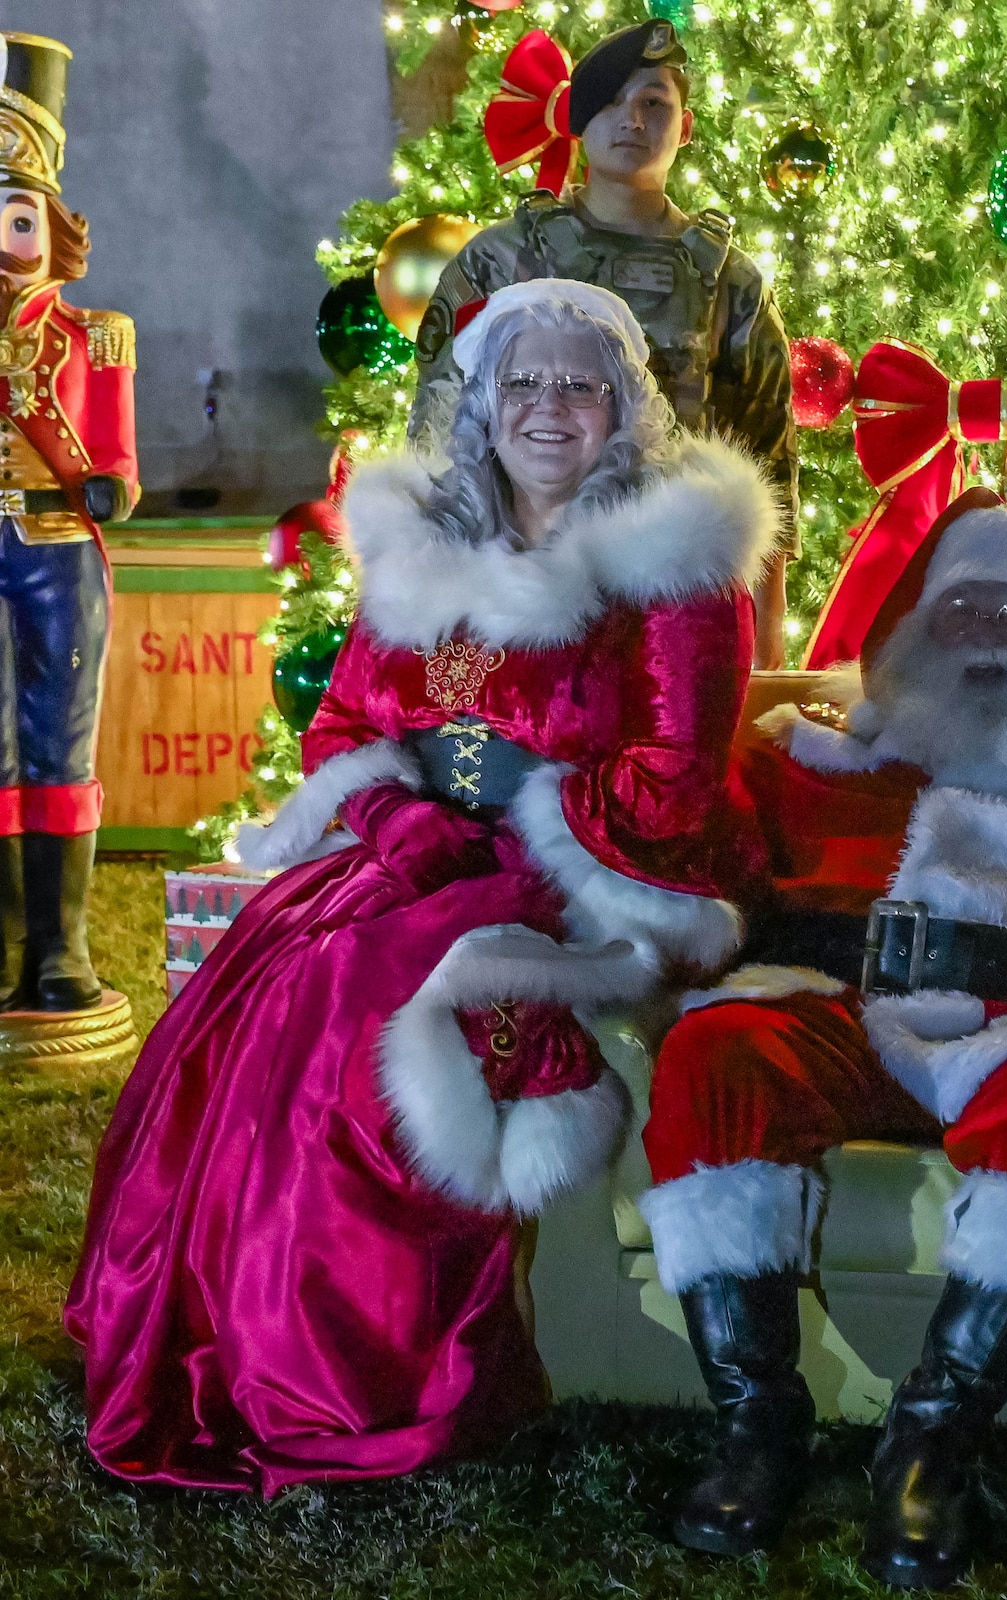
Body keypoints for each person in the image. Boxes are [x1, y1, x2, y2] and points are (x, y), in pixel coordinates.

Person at [64, 280, 780, 1496]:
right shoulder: (426, 544)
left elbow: (672, 790)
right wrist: (398, 812)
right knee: (262, 977)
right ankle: (219, 1345)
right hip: (417, 856)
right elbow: (345, 718)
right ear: (481, 405)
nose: (548, 408)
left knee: (360, 998)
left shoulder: (671, 574)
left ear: (624, 408)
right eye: (523, 383)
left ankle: (353, 1384)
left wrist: (518, 793)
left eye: (579, 385)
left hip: (592, 879)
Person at [638, 489, 1007, 1589]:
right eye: (962, 607)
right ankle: (756, 1429)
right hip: (831, 1011)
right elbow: (681, 832)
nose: (988, 634)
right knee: (714, 1051)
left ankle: (929, 1442)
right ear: (911, 628)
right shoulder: (803, 760)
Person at [408, 18, 797, 668]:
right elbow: (436, 442)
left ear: (687, 126)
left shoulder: (730, 279)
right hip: (519, 600)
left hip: (674, 607)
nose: (632, 120)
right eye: (612, 102)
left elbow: (767, 467)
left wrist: (764, 646)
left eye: (654, 103)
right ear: (578, 118)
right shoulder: (502, 260)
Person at [0, 33, 137, 1011]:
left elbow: (120, 459)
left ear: (50, 224)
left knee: (61, 741)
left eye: (15, 218)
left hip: (55, 551)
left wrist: (111, 491)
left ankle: (60, 948)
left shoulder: (95, 336)